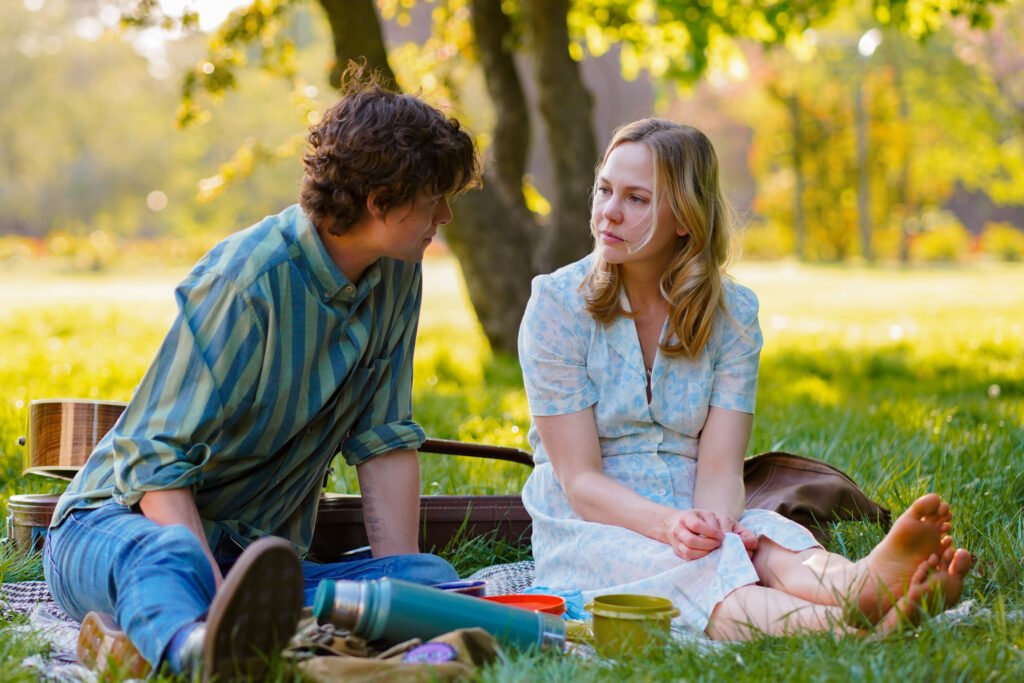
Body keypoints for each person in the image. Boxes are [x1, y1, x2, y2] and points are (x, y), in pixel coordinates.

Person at [43, 64, 480, 679]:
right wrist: (214, 594)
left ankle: (155, 639)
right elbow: (153, 463)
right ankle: (197, 650)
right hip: (118, 529)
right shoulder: (247, 282)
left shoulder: (399, 272)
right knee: (167, 560)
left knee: (426, 579)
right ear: (380, 203)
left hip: (250, 556)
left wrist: (397, 597)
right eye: (436, 201)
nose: (446, 218)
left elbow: (383, 439)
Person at [517, 117, 972, 641]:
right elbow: (580, 483)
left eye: (637, 198)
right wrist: (674, 529)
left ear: (684, 219)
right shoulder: (557, 305)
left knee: (773, 540)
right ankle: (845, 627)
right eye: (605, 189)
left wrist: (713, 523)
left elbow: (719, 465)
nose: (609, 212)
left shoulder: (732, 313)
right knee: (696, 570)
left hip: (700, 501)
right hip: (593, 522)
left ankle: (858, 584)